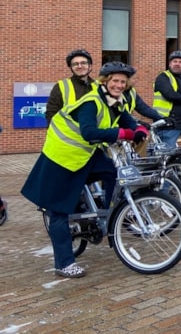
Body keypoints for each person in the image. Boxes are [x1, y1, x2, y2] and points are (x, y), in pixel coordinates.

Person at [20, 62, 148, 278]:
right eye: (115, 81)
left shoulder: (117, 101)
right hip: (61, 157)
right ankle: (64, 264)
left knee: (114, 174)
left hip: (85, 155)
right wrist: (125, 134)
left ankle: (111, 217)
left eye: (123, 82)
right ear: (105, 82)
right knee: (59, 211)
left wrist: (141, 129)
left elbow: (128, 119)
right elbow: (89, 132)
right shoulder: (91, 102)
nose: (119, 85)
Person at [45, 49, 96, 124]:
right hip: (68, 135)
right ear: (71, 68)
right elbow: (51, 114)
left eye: (83, 63)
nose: (79, 66)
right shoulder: (61, 86)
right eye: (75, 64)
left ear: (90, 66)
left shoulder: (99, 86)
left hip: (94, 134)